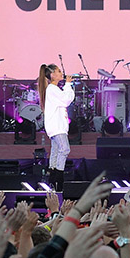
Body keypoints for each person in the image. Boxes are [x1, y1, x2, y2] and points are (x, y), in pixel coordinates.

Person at [38, 63, 75, 191]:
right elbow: (66, 99)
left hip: (58, 126)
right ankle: (58, 178)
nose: (61, 73)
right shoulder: (52, 89)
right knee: (65, 149)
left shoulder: (53, 89)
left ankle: (52, 177)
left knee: (55, 151)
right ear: (52, 75)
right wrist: (68, 84)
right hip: (57, 127)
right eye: (59, 71)